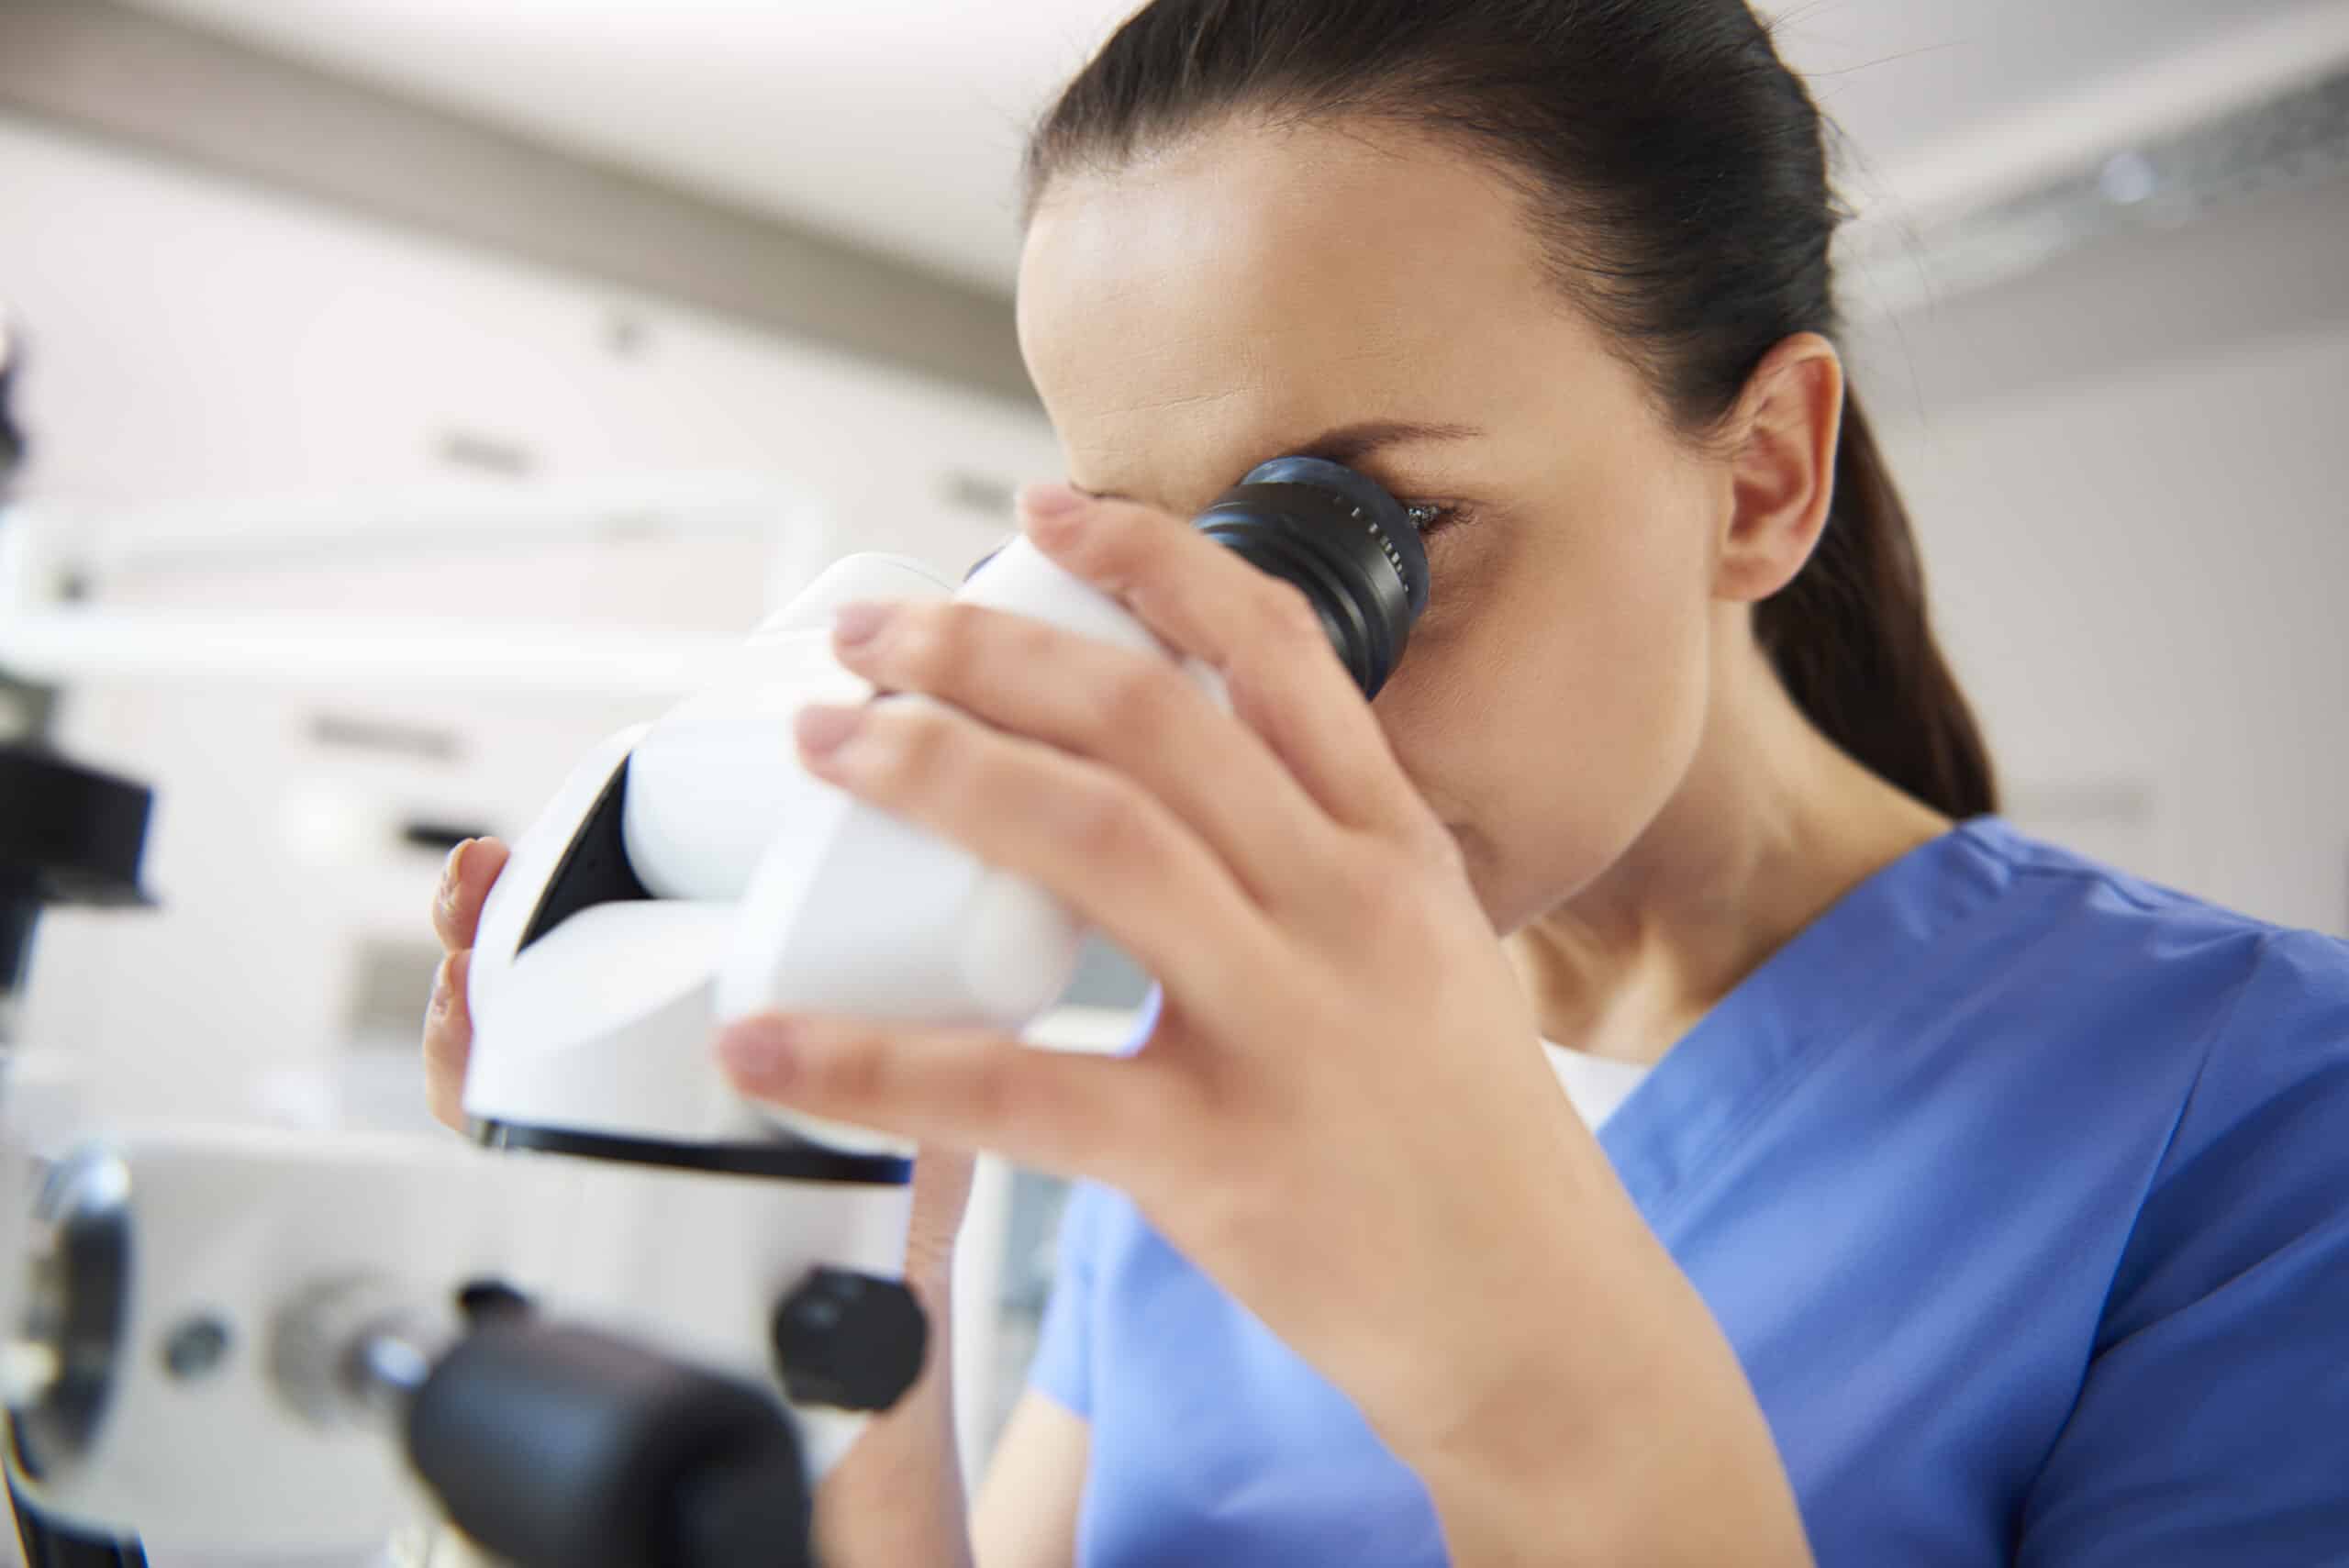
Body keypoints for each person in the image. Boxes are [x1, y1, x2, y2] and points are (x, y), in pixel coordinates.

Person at [421, 0, 2349, 1562]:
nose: (1238, 701)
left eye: (1364, 536)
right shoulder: (1214, 1046)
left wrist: (1536, 1379)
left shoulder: (2262, 1120)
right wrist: (828, 1223)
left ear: (1757, 473)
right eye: (1142, 565)